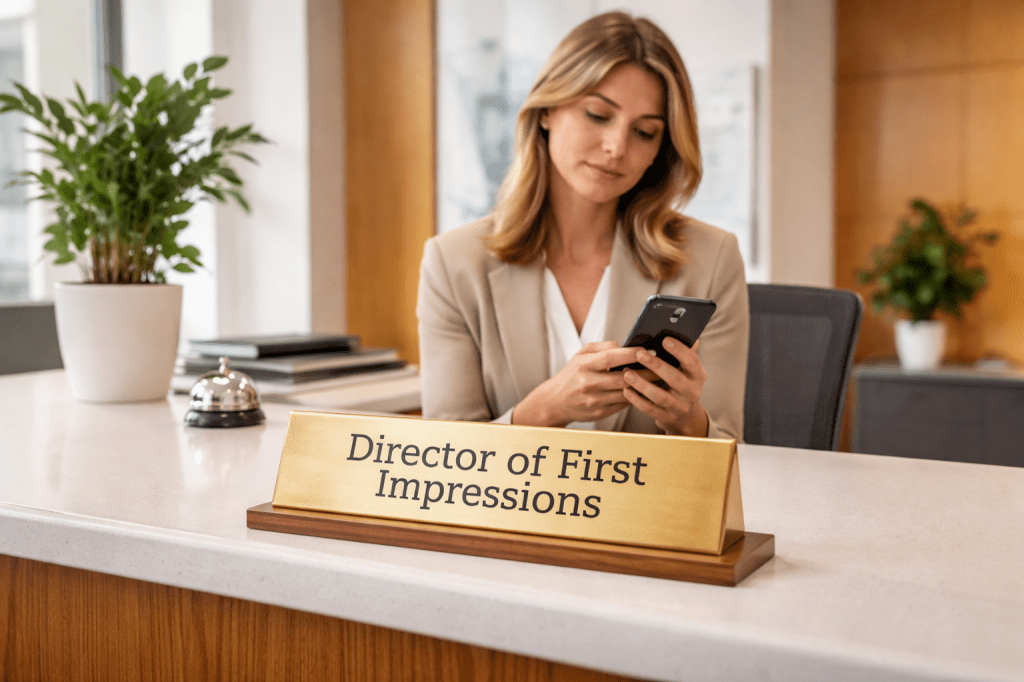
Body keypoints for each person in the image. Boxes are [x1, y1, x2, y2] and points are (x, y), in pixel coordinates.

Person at [417, 11, 748, 440]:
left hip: (648, 506)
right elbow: (444, 459)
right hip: (512, 507)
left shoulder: (711, 260)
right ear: (547, 111)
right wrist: (545, 408)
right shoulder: (453, 264)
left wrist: (685, 420)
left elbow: (728, 450)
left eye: (645, 132)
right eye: (597, 114)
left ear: (659, 150)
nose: (616, 147)